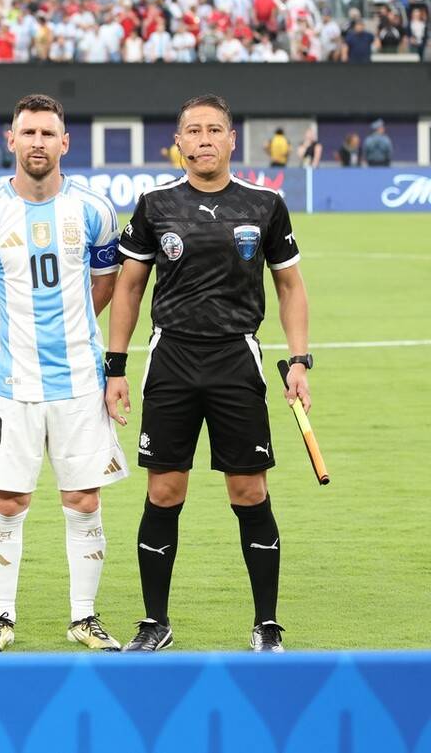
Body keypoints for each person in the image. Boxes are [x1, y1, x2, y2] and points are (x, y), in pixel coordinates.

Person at [105, 94, 311, 653]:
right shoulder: (154, 205)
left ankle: (267, 624)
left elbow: (290, 286)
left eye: (213, 130)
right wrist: (116, 367)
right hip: (171, 358)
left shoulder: (265, 204)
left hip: (235, 360)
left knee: (248, 490)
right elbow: (129, 287)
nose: (203, 139)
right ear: (178, 142)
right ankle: (155, 621)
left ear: (231, 139)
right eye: (193, 131)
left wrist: (299, 360)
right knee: (164, 490)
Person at [0, 94, 126, 653]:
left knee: (84, 501)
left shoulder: (95, 210)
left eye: (47, 133)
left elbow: (106, 280)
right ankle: (0, 617)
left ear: (64, 142)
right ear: (11, 139)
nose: (37, 142)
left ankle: (84, 616)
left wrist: (76, 333)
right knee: (8, 501)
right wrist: (13, 339)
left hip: (80, 382)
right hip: (12, 385)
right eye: (28, 133)